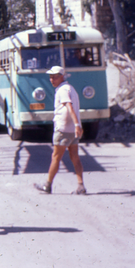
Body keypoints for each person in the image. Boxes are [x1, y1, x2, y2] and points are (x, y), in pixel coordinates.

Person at [34, 66, 86, 195]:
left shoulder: (62, 90)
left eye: (55, 77)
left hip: (63, 129)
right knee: (75, 157)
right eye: (51, 77)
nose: (52, 79)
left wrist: (77, 124)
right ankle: (81, 185)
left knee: (56, 157)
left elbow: (69, 107)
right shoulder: (71, 89)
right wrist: (77, 125)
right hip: (72, 130)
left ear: (62, 77)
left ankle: (47, 185)